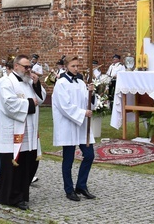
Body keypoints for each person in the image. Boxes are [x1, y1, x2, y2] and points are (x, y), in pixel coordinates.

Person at [0, 55, 46, 211]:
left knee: (29, 164)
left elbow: (41, 98)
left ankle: (21, 194)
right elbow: (8, 104)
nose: (29, 70)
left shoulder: (29, 82)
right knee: (13, 168)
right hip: (12, 133)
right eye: (26, 67)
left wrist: (37, 84)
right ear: (16, 66)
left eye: (30, 67)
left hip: (29, 133)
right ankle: (12, 197)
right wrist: (30, 103)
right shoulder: (5, 82)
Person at [52, 56, 97, 202]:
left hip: (82, 125)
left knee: (89, 155)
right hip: (69, 125)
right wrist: (83, 113)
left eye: (78, 66)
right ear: (66, 67)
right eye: (73, 66)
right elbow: (64, 105)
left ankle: (81, 185)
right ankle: (69, 189)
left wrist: (91, 93)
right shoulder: (61, 83)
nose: (76, 69)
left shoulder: (80, 82)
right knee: (69, 158)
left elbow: (87, 101)